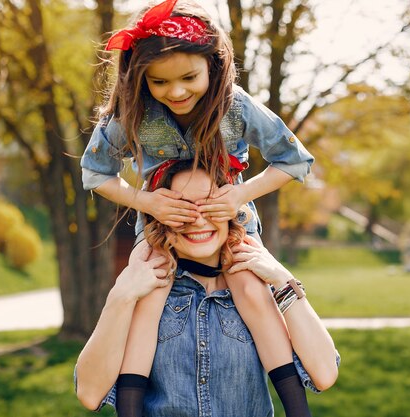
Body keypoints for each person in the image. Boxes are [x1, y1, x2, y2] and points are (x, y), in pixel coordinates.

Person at [79, 0, 314, 415]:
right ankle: (129, 409)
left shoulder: (236, 106)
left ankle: (297, 407)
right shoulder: (131, 112)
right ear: (140, 78)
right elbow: (96, 174)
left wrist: (242, 195)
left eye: (189, 77)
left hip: (231, 222)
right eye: (159, 82)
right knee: (147, 294)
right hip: (161, 225)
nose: (176, 91)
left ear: (214, 66)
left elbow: (294, 161)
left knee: (251, 291)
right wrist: (146, 200)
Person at [75, 162, 339, 416]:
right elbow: (89, 393)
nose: (199, 221)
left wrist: (283, 279)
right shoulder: (147, 291)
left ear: (232, 213)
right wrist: (120, 297)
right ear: (161, 220)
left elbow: (324, 373)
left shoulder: (255, 289)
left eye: (211, 207)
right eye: (182, 209)